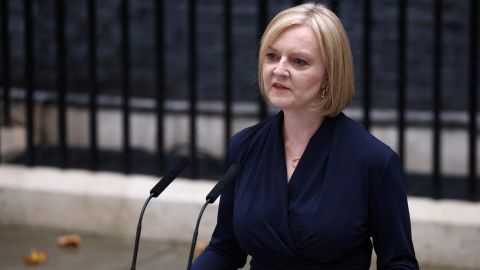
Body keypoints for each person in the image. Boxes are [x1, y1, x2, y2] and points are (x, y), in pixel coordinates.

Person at [193, 3, 419, 270]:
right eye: (272, 56)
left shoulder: (374, 161)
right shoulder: (244, 146)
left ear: (328, 76)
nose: (279, 70)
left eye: (299, 61)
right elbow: (225, 248)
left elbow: (399, 263)